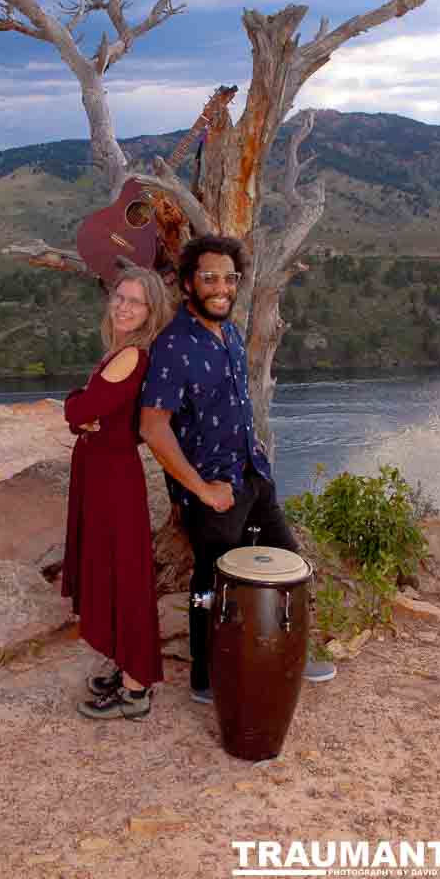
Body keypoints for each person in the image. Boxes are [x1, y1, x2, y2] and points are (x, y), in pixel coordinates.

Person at [140, 234, 335, 704]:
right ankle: (206, 678)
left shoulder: (228, 331)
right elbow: (153, 427)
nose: (221, 287)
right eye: (209, 278)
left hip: (252, 474)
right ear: (188, 284)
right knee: (214, 584)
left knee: (289, 567)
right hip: (213, 490)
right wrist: (202, 491)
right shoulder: (173, 345)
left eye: (229, 278)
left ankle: (289, 654)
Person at [62, 266, 172, 719]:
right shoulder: (123, 352)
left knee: (123, 576)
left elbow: (83, 408)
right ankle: (127, 664)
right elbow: (89, 412)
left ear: (151, 312)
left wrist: (75, 409)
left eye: (136, 302)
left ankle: (136, 688)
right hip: (104, 473)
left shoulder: (132, 357)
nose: (124, 307)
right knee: (112, 570)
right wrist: (82, 413)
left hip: (111, 478)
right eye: (120, 297)